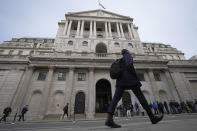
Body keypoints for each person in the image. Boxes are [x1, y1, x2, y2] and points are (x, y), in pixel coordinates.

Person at [105, 49, 163, 128]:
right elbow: (129, 65)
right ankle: (152, 117)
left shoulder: (119, 60)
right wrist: (135, 77)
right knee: (141, 97)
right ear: (127, 52)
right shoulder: (128, 56)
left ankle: (109, 119)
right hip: (131, 80)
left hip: (120, 81)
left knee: (115, 99)